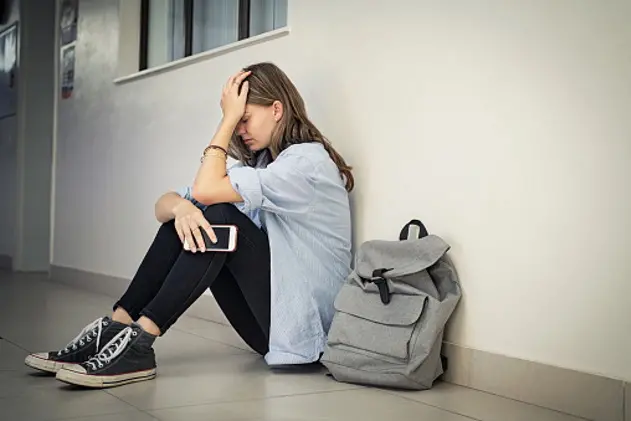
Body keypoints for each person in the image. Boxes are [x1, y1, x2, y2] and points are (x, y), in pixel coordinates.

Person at [24, 62, 354, 389]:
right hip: (273, 327)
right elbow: (164, 205)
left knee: (218, 216)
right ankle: (115, 328)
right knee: (184, 218)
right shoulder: (265, 165)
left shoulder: (306, 164)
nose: (240, 129)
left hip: (307, 332)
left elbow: (206, 191)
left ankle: (140, 343)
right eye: (235, 122)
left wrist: (225, 120)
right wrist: (181, 208)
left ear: (277, 109)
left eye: (244, 119)